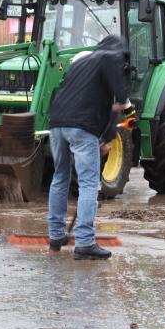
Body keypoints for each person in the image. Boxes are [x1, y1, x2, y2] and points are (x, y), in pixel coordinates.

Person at [46, 35, 134, 260]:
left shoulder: (81, 64)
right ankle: (85, 242)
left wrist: (102, 138)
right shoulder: (112, 59)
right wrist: (108, 137)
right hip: (81, 127)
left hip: (56, 124)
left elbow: (87, 99)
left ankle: (56, 235)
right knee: (88, 183)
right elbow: (120, 102)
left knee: (60, 177)